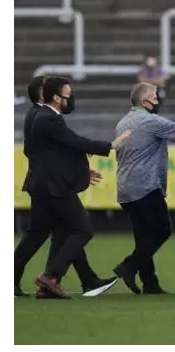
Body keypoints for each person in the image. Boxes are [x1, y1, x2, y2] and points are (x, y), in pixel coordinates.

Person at [27, 77, 131, 299]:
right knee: (83, 229)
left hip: (45, 185)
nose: (71, 98)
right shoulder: (49, 119)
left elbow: (58, 152)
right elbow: (75, 142)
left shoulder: (43, 117)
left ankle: (71, 284)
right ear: (56, 97)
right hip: (54, 187)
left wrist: (82, 173)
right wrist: (110, 146)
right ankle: (51, 276)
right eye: (68, 94)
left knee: (63, 233)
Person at [112, 83, 175, 294]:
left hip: (125, 187)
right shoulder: (150, 121)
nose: (158, 100)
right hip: (145, 185)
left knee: (143, 235)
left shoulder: (122, 122)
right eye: (155, 96)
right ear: (144, 101)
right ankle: (129, 266)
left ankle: (150, 282)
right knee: (162, 230)